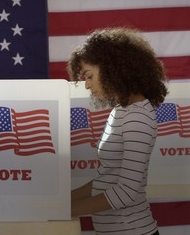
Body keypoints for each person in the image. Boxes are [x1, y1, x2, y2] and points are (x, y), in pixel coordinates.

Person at [68, 27, 168, 235]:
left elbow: (127, 192)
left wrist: (65, 210)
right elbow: (106, 178)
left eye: (89, 76)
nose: (86, 85)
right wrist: (63, 199)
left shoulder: (137, 116)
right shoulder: (123, 110)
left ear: (112, 69)